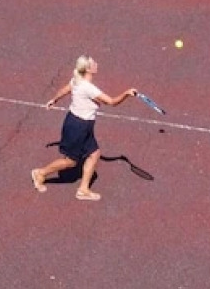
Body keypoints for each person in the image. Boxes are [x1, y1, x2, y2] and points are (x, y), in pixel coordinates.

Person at [30, 56, 138, 202]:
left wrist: (54, 99)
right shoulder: (88, 87)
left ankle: (83, 190)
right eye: (93, 63)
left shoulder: (77, 79)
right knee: (71, 162)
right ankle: (40, 173)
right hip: (78, 127)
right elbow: (112, 102)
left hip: (80, 125)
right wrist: (126, 93)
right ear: (88, 69)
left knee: (94, 154)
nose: (96, 64)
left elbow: (65, 89)